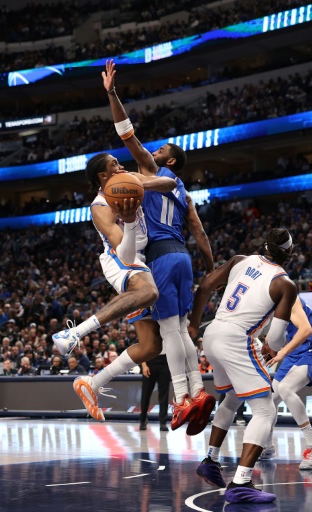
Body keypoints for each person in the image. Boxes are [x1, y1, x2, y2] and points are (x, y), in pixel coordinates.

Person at [103, 59, 216, 435]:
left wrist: (112, 94)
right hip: (183, 255)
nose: (157, 148)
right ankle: (197, 391)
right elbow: (199, 234)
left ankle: (184, 398)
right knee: (180, 329)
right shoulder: (186, 193)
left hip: (162, 258)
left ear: (167, 160)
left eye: (163, 147)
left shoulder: (154, 172)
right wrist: (211, 270)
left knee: (170, 331)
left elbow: (127, 135)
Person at [58, 154, 176, 422]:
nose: (121, 166)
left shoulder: (130, 179)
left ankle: (92, 383)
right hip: (119, 259)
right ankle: (74, 333)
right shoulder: (100, 206)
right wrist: (131, 220)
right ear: (103, 176)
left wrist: (139, 183)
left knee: (151, 346)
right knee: (149, 292)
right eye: (114, 165)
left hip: (141, 258)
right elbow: (124, 254)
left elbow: (168, 184)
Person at [188, 228, 297, 504]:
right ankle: (241, 482)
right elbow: (274, 338)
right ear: (289, 255)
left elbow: (204, 288)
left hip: (212, 333)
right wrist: (273, 346)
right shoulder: (285, 284)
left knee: (233, 397)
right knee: (265, 410)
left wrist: (192, 324)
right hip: (238, 338)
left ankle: (211, 461)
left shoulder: (239, 260)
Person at [257, 294, 312, 469]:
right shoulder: (270, 305)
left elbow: (306, 330)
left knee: (285, 388)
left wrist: (281, 353)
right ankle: (267, 446)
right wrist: (269, 343)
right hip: (293, 353)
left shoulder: (290, 298)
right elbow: (278, 333)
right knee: (269, 400)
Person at [139, 351, 171, 432]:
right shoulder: (147, 337)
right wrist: (144, 365)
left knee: (164, 394)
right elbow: (143, 348)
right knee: (146, 393)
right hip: (150, 359)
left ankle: (163, 422)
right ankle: (143, 420)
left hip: (165, 361)